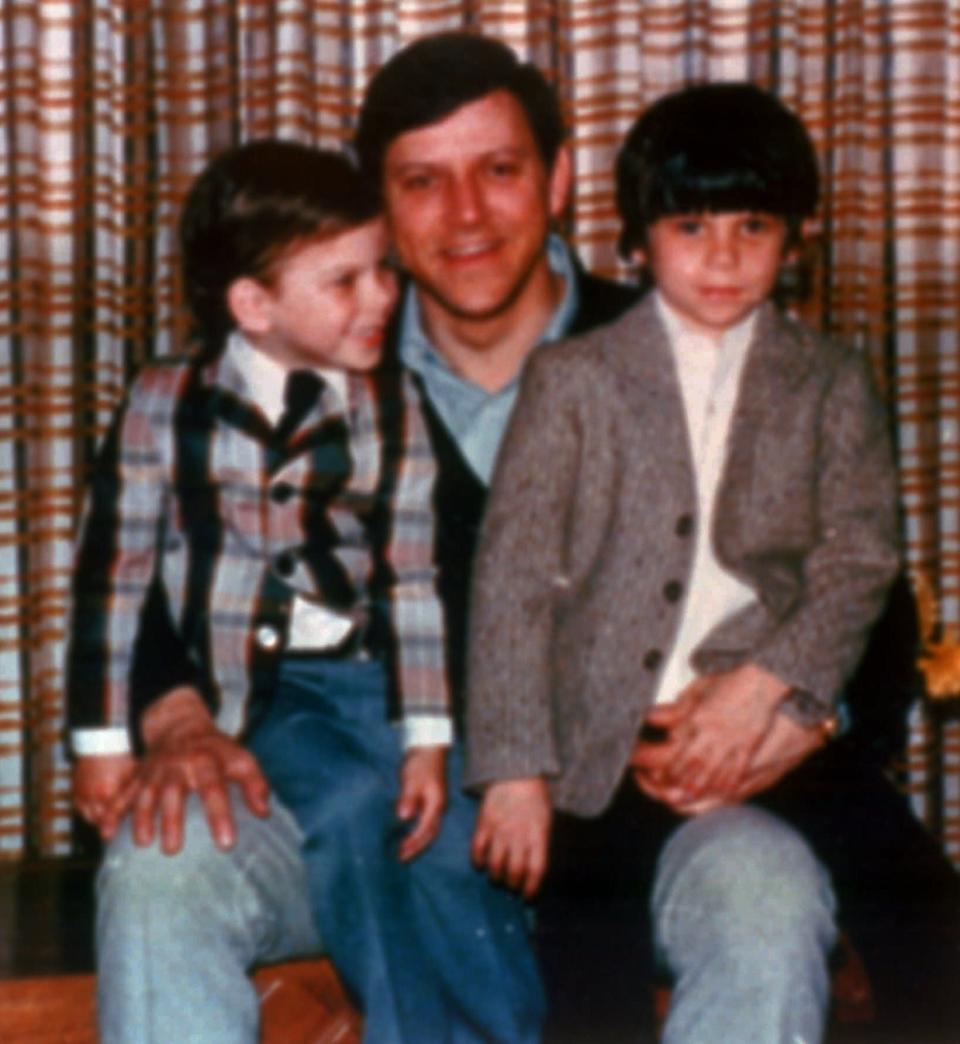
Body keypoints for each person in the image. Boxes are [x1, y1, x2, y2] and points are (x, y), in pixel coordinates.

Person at [465, 82, 960, 1044]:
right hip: (607, 749)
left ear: (796, 236)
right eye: (692, 227)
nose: (724, 258)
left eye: (754, 227)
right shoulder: (573, 380)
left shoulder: (832, 379)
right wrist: (516, 772)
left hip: (775, 725)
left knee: (931, 920)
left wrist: (776, 685)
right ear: (640, 238)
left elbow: (861, 557)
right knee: (585, 960)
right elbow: (513, 581)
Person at [67, 138, 544, 1044]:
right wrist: (101, 742)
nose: (383, 298)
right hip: (263, 698)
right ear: (252, 304)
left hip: (373, 684)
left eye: (383, 272)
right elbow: (115, 575)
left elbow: (413, 579)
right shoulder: (165, 401)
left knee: (451, 844)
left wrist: (431, 738)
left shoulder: (393, 404)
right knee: (352, 808)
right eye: (346, 282)